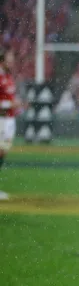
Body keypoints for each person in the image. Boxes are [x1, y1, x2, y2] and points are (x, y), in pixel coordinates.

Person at [0, 47, 18, 201]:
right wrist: (9, 104)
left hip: (9, 120)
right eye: (9, 60)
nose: (12, 62)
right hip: (1, 119)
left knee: (3, 152)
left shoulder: (8, 76)